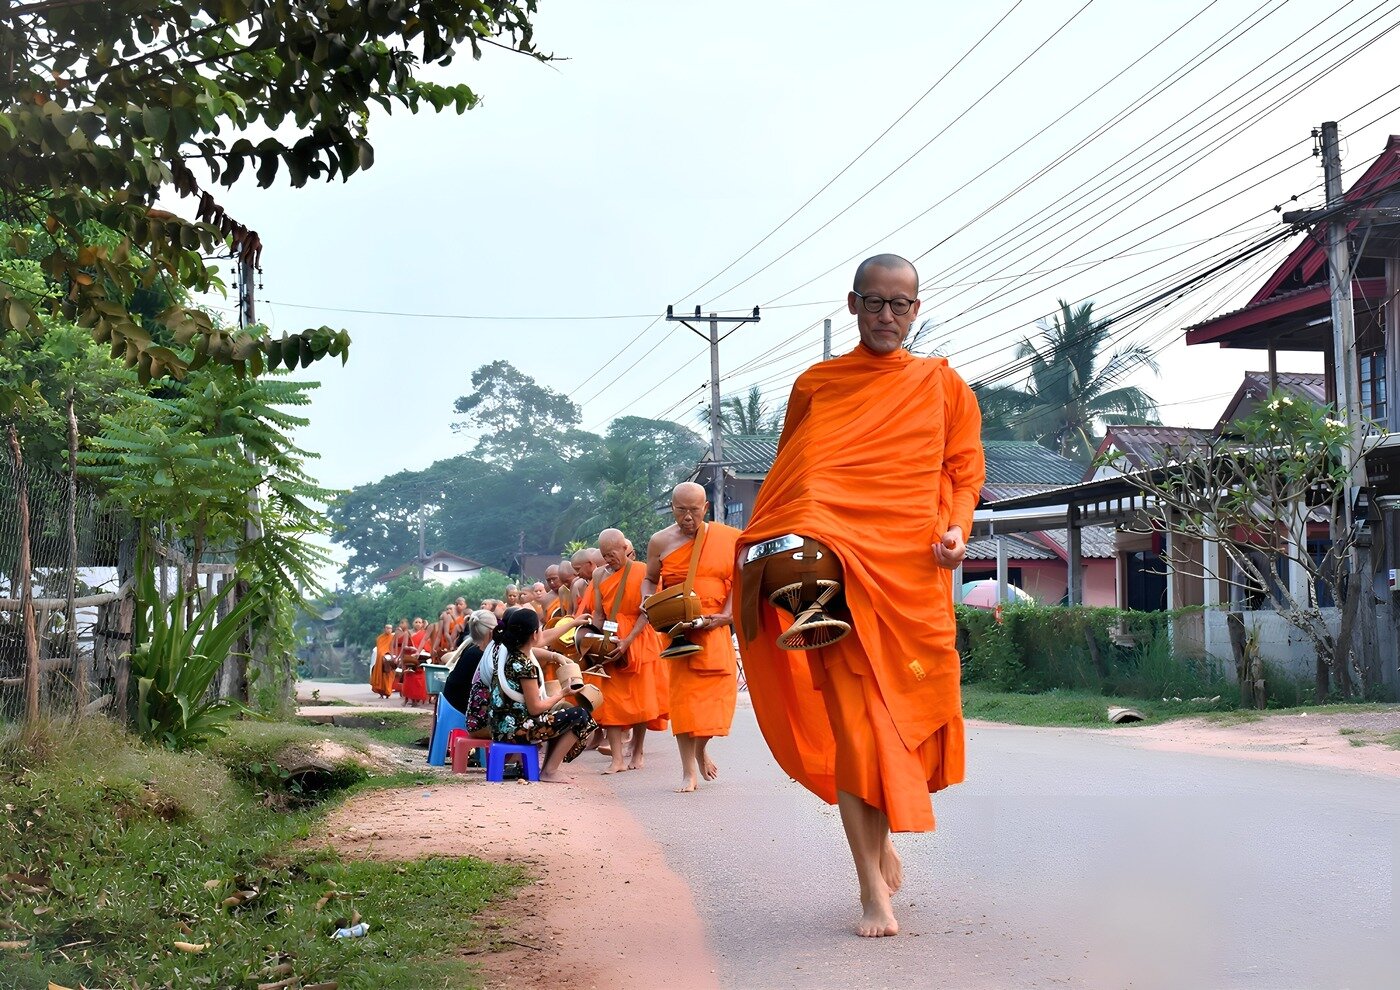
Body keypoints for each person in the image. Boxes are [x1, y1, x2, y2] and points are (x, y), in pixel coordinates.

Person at [734, 253, 985, 938]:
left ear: (916, 310)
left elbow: (964, 474)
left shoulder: (942, 386)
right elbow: (795, 479)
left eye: (900, 304)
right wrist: (789, 540)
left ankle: (880, 853)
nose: (886, 316)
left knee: (893, 735)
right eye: (874, 302)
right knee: (854, 734)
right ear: (852, 305)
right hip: (835, 583)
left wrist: (956, 530)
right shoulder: (818, 384)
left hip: (911, 577)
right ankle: (871, 887)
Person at [642, 482, 740, 793]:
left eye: (694, 510)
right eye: (681, 509)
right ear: (672, 507)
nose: (688, 517)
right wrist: (648, 602)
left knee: (716, 702)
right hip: (679, 632)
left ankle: (701, 749)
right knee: (684, 704)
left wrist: (726, 615)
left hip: (714, 626)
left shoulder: (726, 538)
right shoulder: (660, 541)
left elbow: (738, 580)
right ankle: (688, 771)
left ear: (705, 509)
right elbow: (649, 579)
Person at [486, 606, 598, 783]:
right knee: (580, 715)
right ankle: (550, 771)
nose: (542, 634)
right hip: (516, 730)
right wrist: (564, 693)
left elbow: (545, 637)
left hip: (500, 726)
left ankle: (547, 768)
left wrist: (574, 623)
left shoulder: (508, 654)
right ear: (534, 635)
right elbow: (536, 708)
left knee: (558, 717)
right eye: (539, 629)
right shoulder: (524, 665)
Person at [589, 528, 669, 773]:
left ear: (625, 549)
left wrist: (629, 639)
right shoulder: (598, 576)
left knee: (640, 700)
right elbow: (599, 613)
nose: (609, 560)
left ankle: (637, 749)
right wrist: (597, 641)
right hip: (611, 643)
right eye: (604, 555)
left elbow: (647, 611)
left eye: (612, 554)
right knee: (611, 702)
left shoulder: (643, 571)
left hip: (639, 640)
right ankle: (617, 759)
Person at [443, 608, 499, 741]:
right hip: (461, 707)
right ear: (492, 633)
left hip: (452, 701)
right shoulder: (480, 654)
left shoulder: (471, 647)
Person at [400, 615, 430, 706]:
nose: (418, 624)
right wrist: (411, 648)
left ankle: (418, 698)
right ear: (413, 623)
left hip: (420, 658)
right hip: (410, 658)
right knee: (409, 678)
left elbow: (427, 645)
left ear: (422, 624)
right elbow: (404, 646)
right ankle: (409, 699)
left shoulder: (424, 633)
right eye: (416, 622)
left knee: (419, 678)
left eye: (420, 622)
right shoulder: (407, 633)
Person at [370, 623, 394, 698]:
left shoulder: (393, 638)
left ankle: (387, 693)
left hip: (389, 660)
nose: (389, 630)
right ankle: (381, 694)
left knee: (388, 676)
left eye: (390, 628)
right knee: (380, 677)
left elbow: (393, 648)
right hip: (380, 661)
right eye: (387, 628)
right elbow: (380, 650)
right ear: (384, 629)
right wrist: (383, 654)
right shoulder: (380, 638)